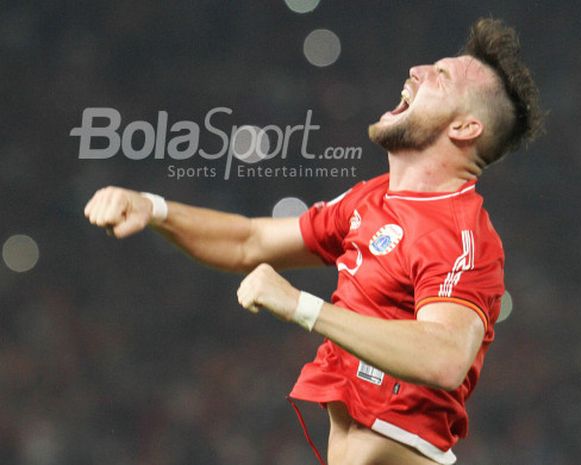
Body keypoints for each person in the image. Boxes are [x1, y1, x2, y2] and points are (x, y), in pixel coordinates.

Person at [84, 17, 543, 465]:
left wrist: (302, 307)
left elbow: (445, 355)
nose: (416, 71)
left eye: (440, 75)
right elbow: (250, 240)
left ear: (464, 129)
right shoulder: (371, 199)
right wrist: (154, 208)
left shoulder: (462, 234)